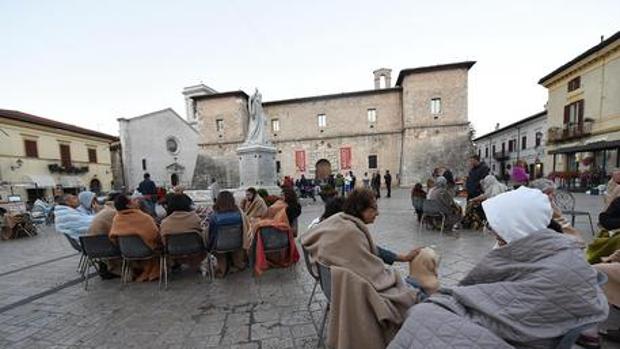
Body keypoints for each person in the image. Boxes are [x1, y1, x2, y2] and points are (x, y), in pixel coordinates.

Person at [389, 187, 609, 349]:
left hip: (522, 335)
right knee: (425, 313)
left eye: (500, 233)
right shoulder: (548, 247)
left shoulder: (558, 259)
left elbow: (514, 309)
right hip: (513, 321)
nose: (495, 236)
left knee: (424, 315)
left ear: (518, 225)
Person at [303, 188, 439, 349]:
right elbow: (373, 273)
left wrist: (401, 257)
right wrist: (391, 275)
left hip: (335, 289)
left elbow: (371, 250)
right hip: (362, 290)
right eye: (373, 208)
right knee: (414, 293)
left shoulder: (342, 221)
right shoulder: (350, 232)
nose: (378, 213)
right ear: (360, 209)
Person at [109, 194, 161, 282]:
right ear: (128, 205)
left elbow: (113, 237)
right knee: (157, 247)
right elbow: (154, 235)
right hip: (146, 250)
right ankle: (151, 271)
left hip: (126, 251)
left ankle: (144, 271)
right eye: (132, 200)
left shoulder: (116, 219)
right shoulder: (144, 218)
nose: (135, 201)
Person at [207, 191, 250, 275]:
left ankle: (222, 269)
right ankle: (237, 264)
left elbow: (211, 235)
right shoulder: (239, 214)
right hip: (237, 245)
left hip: (220, 246)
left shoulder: (214, 216)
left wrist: (209, 247)